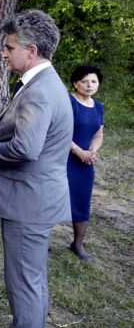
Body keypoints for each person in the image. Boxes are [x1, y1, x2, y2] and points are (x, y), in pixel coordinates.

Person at [0, 10, 72, 328]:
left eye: (10, 47)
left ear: (31, 52)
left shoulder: (40, 90)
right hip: (39, 199)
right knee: (33, 279)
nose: (4, 52)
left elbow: (25, 149)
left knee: (23, 285)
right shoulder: (48, 82)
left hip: (27, 203)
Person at [66, 65, 104, 261]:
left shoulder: (99, 107)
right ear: (75, 84)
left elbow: (98, 135)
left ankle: (77, 244)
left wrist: (92, 152)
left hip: (85, 163)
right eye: (84, 81)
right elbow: (60, 131)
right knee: (54, 198)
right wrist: (79, 151)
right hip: (64, 158)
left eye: (93, 81)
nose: (89, 85)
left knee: (82, 202)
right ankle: (40, 241)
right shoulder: (68, 101)